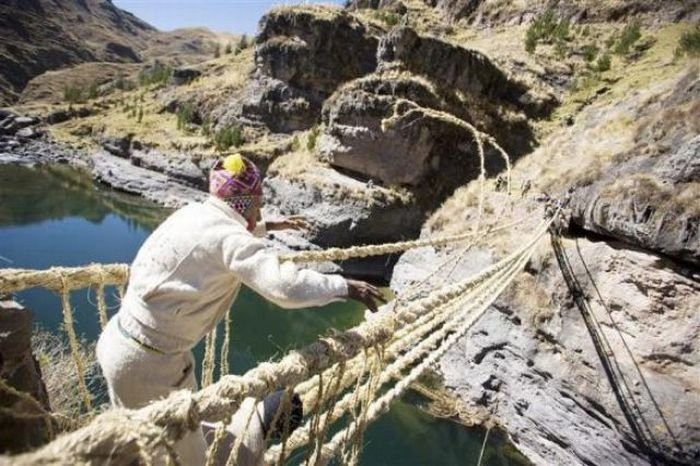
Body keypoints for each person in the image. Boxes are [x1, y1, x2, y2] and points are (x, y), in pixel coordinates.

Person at [96, 154, 385, 465]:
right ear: (244, 202)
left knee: (138, 448)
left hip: (119, 345)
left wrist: (267, 226)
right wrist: (345, 286)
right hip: (150, 369)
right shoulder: (228, 237)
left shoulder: (193, 213)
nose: (259, 209)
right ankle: (250, 424)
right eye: (258, 202)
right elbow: (284, 288)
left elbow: (215, 239)